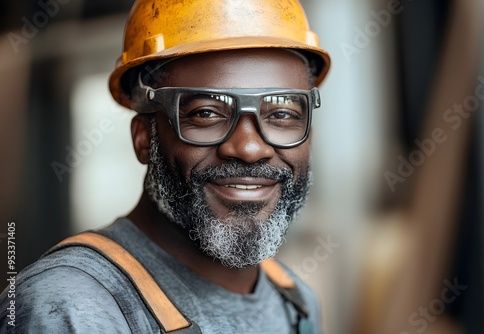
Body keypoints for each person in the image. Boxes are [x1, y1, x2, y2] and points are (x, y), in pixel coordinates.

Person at [0, 0, 330, 333]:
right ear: (144, 137)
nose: (248, 148)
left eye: (282, 114)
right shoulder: (70, 308)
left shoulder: (295, 301)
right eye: (206, 113)